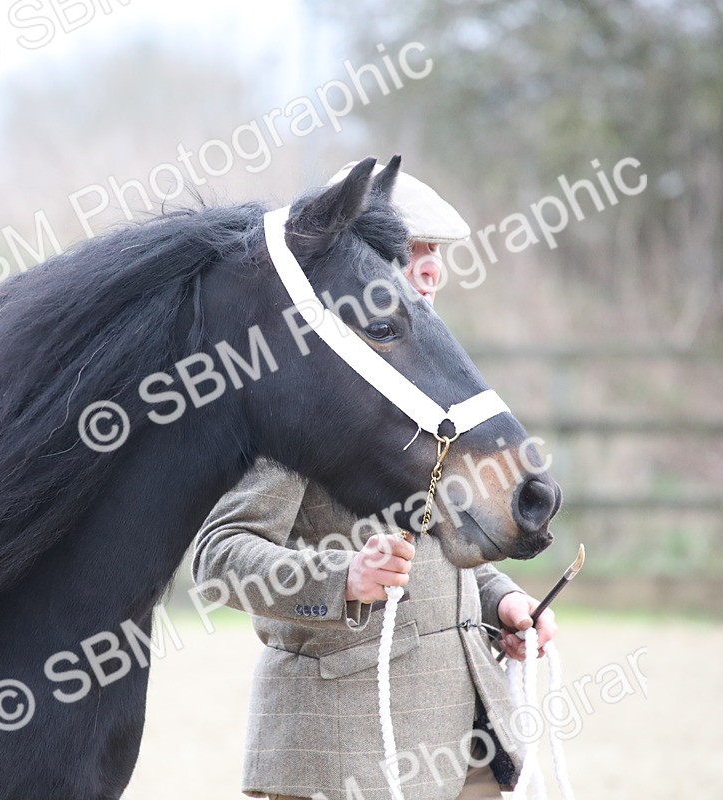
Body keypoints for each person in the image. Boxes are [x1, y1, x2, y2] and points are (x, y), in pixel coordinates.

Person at [191, 164, 559, 800]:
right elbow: (218, 560)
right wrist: (342, 580)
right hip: (341, 756)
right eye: (412, 250)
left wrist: (501, 600)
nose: (431, 269)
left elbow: (442, 546)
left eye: (435, 254)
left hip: (465, 742)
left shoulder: (425, 383)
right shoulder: (303, 393)